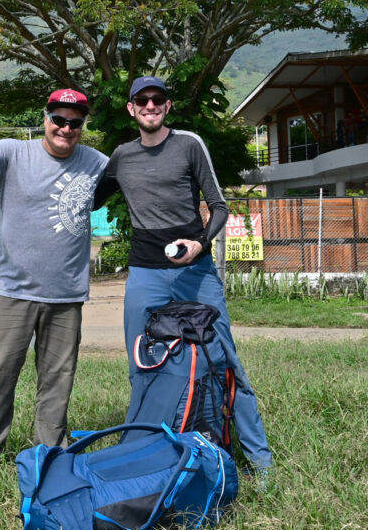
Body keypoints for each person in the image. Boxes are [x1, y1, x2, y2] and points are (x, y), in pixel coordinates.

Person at [94, 76, 273, 487]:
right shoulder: (121, 156)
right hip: (145, 271)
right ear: (131, 108)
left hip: (195, 272)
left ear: (167, 106)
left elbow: (220, 207)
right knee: (143, 363)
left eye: (157, 99)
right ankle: (141, 455)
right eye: (142, 100)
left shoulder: (189, 144)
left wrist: (199, 243)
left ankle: (259, 462)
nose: (150, 105)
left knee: (224, 361)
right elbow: (86, 196)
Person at [0, 89, 109, 486]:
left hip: (66, 296)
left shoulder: (96, 163)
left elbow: (138, 176)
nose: (66, 128)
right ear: (46, 119)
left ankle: (49, 457)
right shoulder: (13, 153)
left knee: (58, 380)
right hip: (12, 291)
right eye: (59, 119)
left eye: (75, 122)